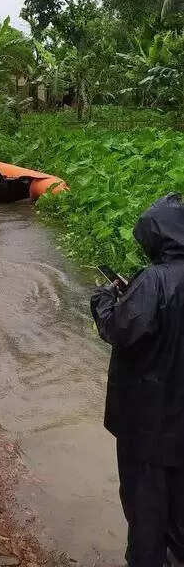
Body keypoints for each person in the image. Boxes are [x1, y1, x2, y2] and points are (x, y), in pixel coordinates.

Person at [91, 194, 184, 567]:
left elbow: (119, 328)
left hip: (149, 425)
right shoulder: (156, 283)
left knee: (146, 514)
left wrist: (104, 300)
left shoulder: (154, 281)